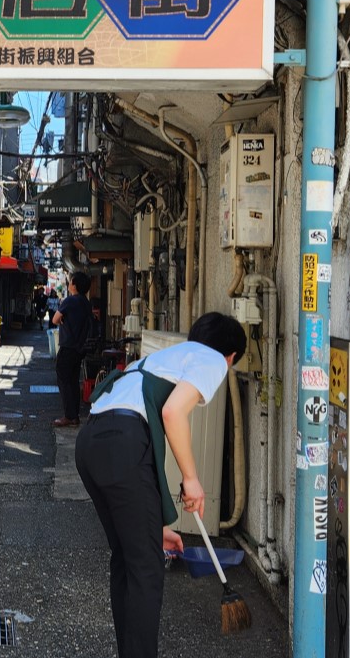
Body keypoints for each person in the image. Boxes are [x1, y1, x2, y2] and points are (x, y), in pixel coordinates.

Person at [74, 312, 247, 658]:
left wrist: (160, 525)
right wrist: (192, 479)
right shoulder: (211, 358)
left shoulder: (158, 360)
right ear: (230, 357)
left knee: (129, 556)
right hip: (122, 444)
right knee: (146, 567)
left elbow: (148, 442)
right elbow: (171, 415)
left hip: (92, 443)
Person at [50, 272, 93, 428]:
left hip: (68, 346)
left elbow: (55, 319)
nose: (68, 284)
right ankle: (74, 416)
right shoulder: (86, 303)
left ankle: (69, 416)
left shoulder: (70, 301)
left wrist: (62, 319)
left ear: (74, 285)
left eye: (70, 282)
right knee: (74, 380)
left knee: (64, 380)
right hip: (80, 348)